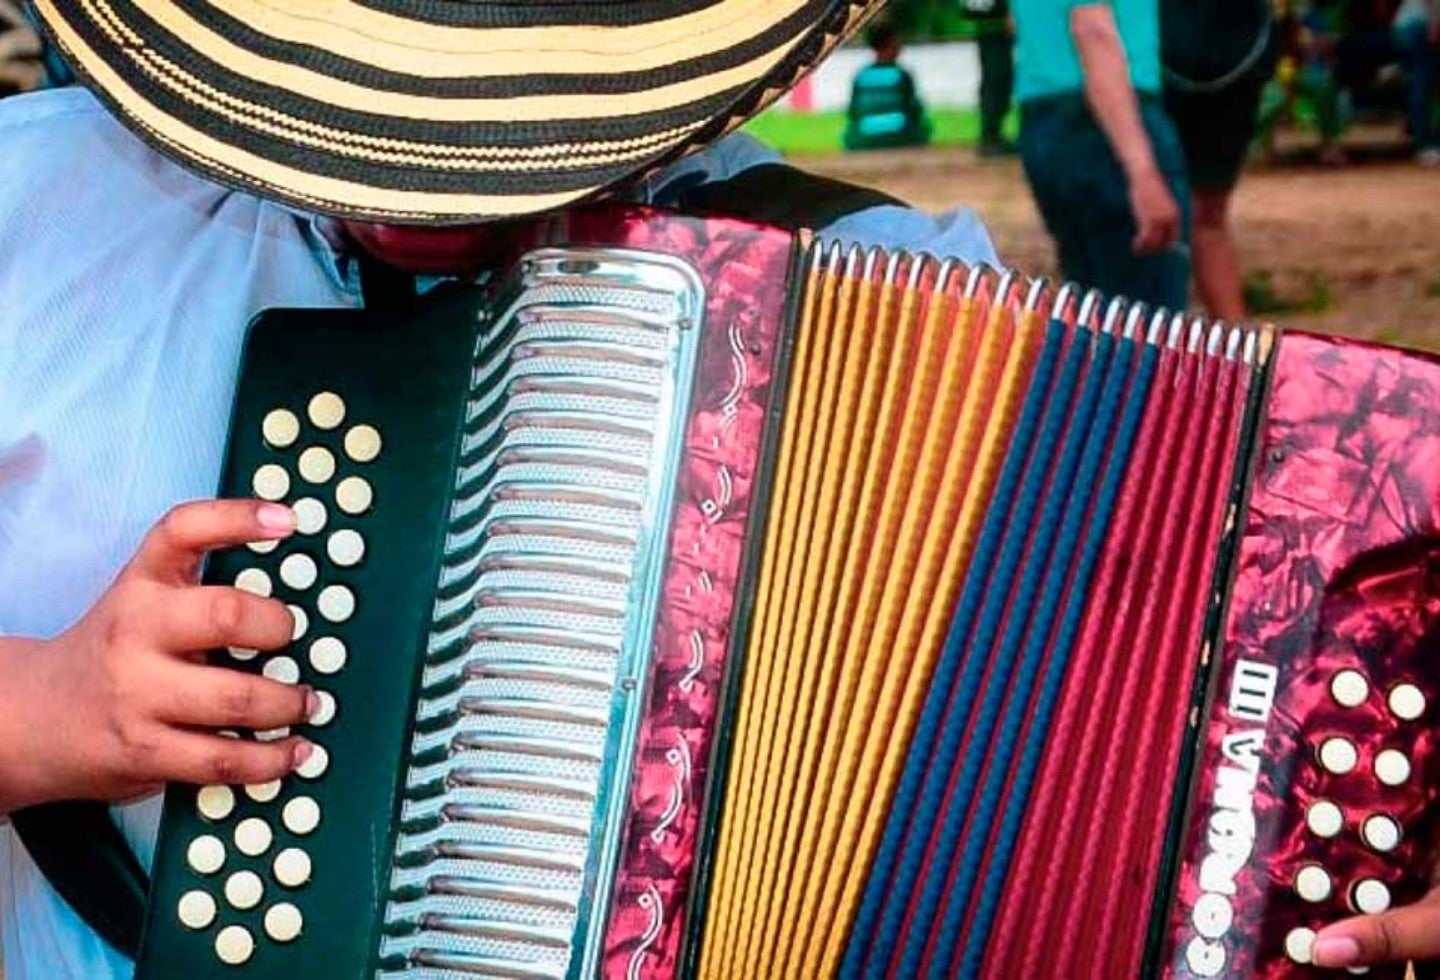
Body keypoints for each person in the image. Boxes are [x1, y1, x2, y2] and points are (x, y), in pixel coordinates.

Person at [0, 3, 997, 978]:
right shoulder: (36, 208)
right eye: (373, 85)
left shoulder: (909, 294)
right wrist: (44, 707)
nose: (420, 174)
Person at [1012, 0, 1191, 311]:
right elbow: (1092, 28)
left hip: (1045, 117)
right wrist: (1143, 174)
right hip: (1107, 121)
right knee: (1148, 329)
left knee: (1093, 314)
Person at [1161, 0, 1278, 320]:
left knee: (1208, 213)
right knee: (1151, 215)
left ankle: (1236, 355)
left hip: (1236, 56)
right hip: (1157, 56)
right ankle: (1150, 346)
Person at [843, 20, 934, 151]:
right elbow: (914, 110)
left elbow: (853, 112)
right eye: (897, 42)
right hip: (899, 137)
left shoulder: (861, 76)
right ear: (891, 44)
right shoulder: (901, 74)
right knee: (925, 128)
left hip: (865, 140)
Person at [964, 0, 1019, 156]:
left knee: (996, 76)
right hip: (995, 26)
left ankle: (991, 134)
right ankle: (990, 135)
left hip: (991, 26)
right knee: (997, 77)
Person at [1393, 0, 1440, 163]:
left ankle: (1424, 142)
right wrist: (1434, 24)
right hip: (1419, 27)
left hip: (1417, 28)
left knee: (1423, 83)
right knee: (1422, 84)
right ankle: (1425, 145)